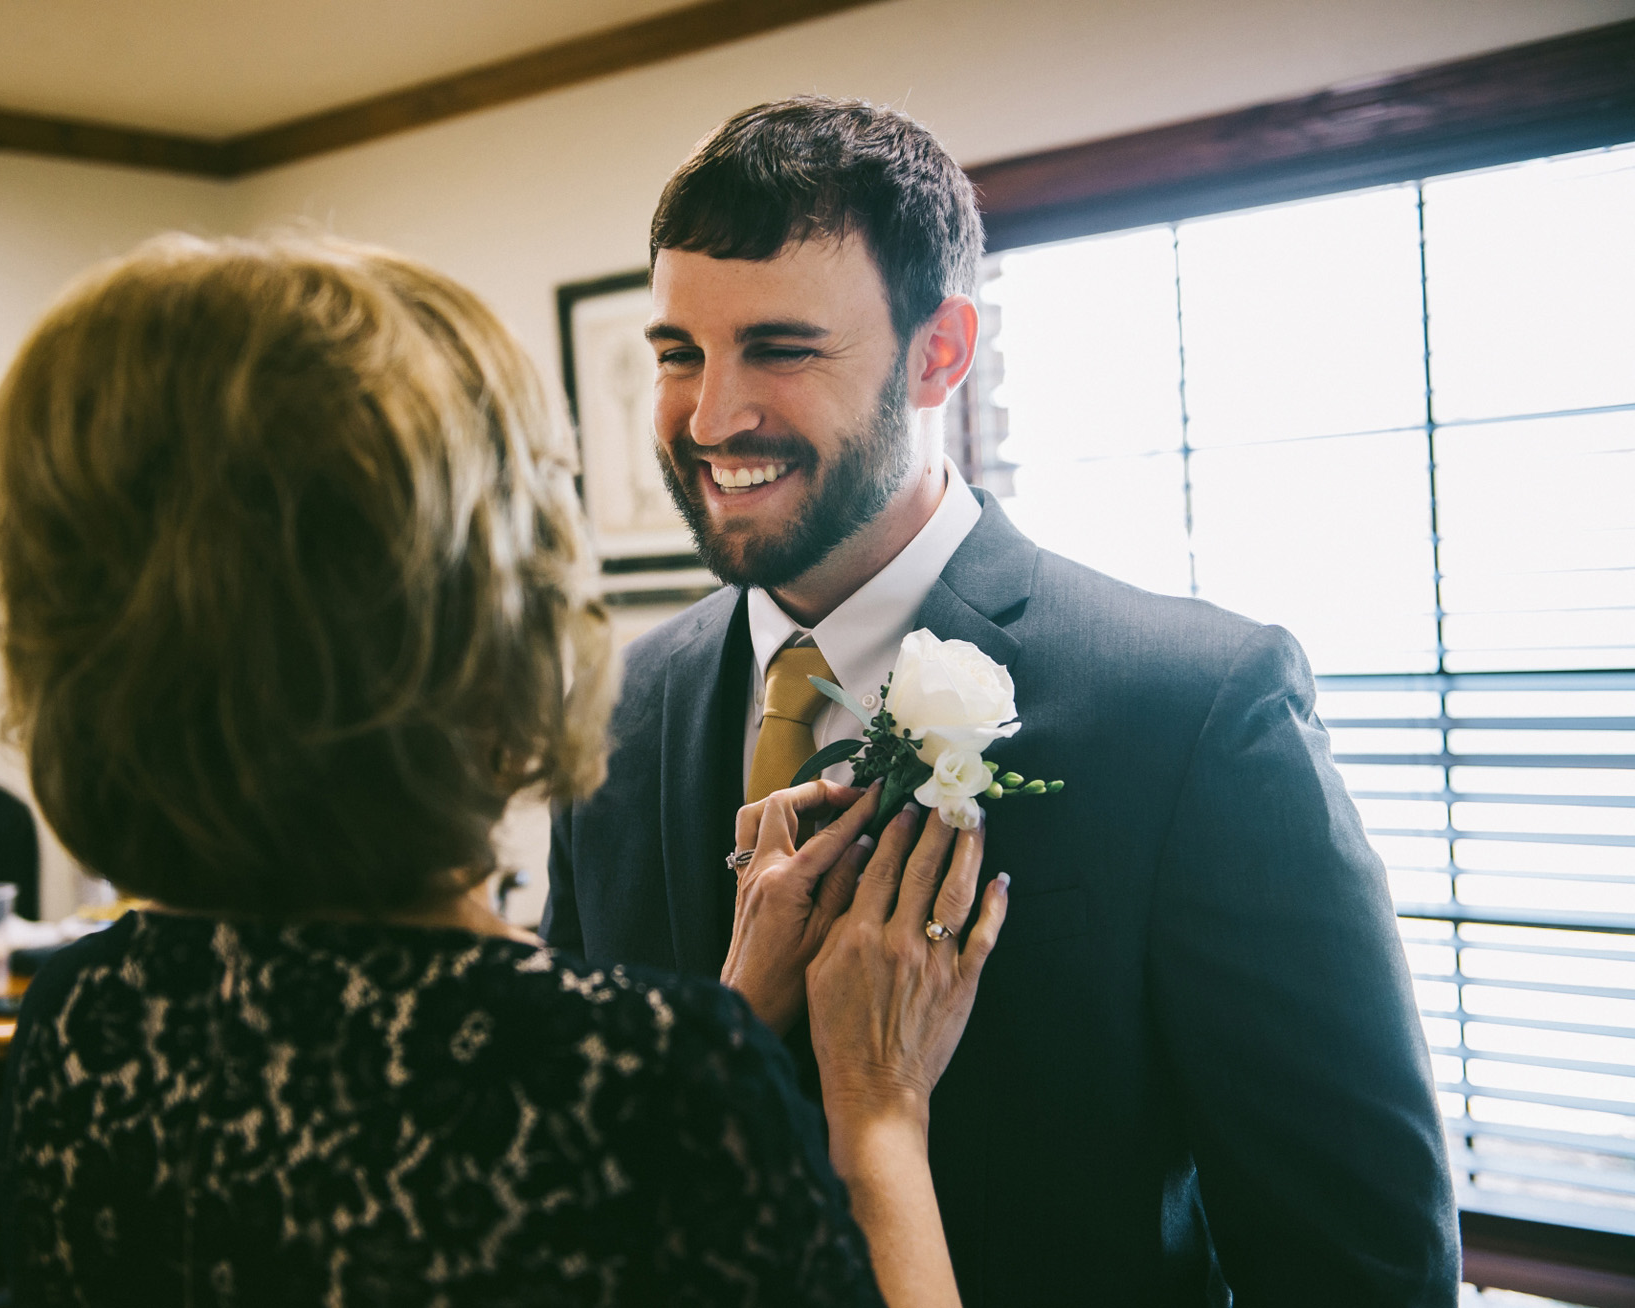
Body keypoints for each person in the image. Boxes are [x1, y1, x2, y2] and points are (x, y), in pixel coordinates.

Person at [0, 232, 1005, 1308]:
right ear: (488, 614)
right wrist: (878, 1110)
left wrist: (728, 1016)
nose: (708, 419)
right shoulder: (651, 1086)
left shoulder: (88, 1020)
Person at [543, 96, 1461, 1304]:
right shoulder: (610, 710)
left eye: (780, 348)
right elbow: (563, 1159)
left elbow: (1360, 1265)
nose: (712, 418)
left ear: (939, 353)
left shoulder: (1191, 712)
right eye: (679, 353)